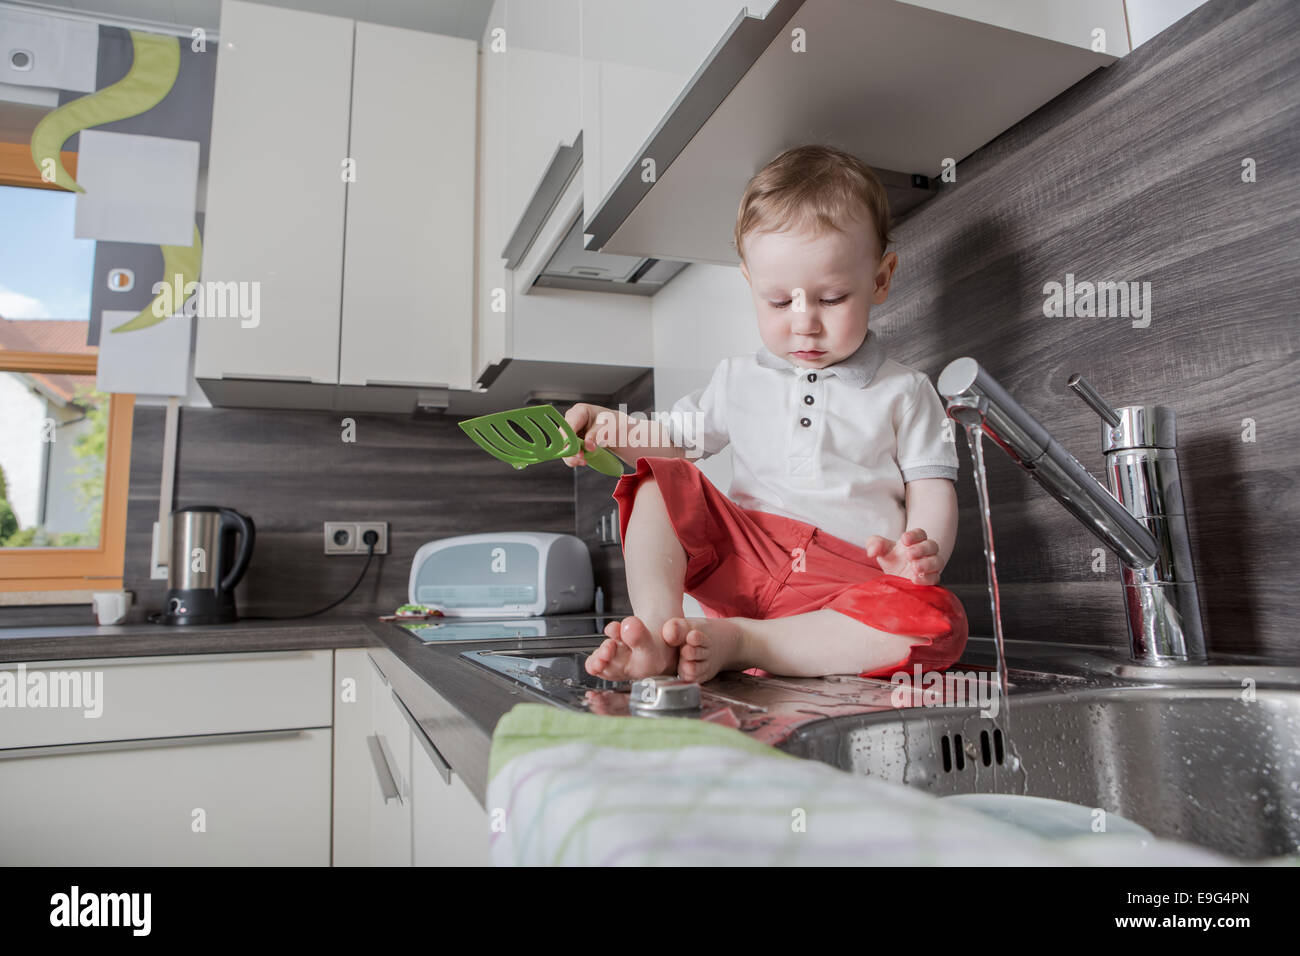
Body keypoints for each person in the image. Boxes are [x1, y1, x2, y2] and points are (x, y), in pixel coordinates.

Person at [563, 144, 968, 684]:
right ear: (751, 285)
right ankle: (662, 631)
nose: (804, 323)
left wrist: (921, 551)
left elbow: (933, 487)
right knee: (659, 477)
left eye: (831, 298)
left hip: (848, 585)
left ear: (880, 279)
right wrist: (613, 431)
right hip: (746, 557)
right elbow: (674, 439)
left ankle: (744, 641)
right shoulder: (738, 378)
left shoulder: (908, 390)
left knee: (938, 621)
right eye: (780, 303)